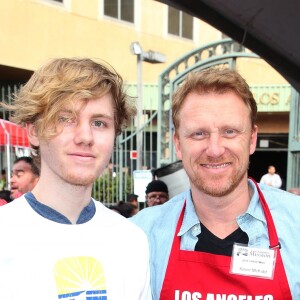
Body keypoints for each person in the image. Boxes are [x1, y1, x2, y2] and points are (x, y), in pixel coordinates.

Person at [131, 68, 300, 299]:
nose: (214, 149)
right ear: (178, 144)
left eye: (229, 132)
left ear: (252, 139)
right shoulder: (141, 236)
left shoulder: (296, 226)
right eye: (199, 134)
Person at [0, 58, 151, 300]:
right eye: (66, 119)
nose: (85, 136)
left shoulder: (131, 241)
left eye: (99, 122)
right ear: (34, 131)